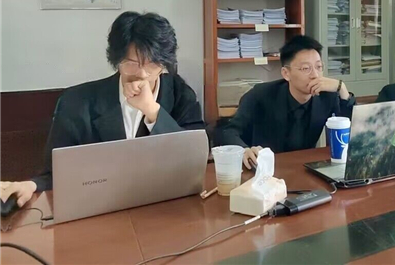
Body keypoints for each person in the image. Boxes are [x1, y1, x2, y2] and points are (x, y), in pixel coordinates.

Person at [0, 11, 204, 208]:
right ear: (117, 61)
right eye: (131, 63)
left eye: (152, 64)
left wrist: (152, 111)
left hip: (165, 206)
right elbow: (57, 171)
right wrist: (32, 185)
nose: (142, 74)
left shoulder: (180, 94)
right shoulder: (77, 102)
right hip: (100, 209)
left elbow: (193, 157)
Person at [217, 35, 355, 168]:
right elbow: (228, 131)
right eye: (306, 68)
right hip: (264, 169)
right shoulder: (260, 95)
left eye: (319, 67)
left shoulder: (327, 96)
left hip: (305, 167)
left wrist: (342, 89)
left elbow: (354, 133)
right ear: (286, 73)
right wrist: (244, 150)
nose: (315, 75)